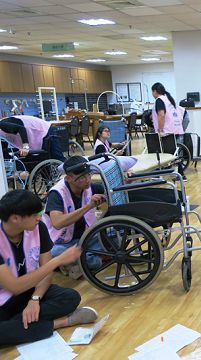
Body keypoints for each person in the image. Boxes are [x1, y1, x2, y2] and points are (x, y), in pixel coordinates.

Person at [0, 190, 98, 346]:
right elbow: (15, 287)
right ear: (15, 218)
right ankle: (62, 322)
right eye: (34, 215)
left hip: (30, 291)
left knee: (70, 297)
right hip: (4, 299)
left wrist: (35, 299)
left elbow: (46, 275)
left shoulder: (39, 228)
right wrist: (58, 260)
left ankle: (19, 324)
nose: (39, 218)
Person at [42, 156, 106, 279]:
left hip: (83, 238)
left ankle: (76, 262)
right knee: (54, 253)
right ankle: (88, 260)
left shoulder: (88, 186)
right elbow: (57, 222)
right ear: (69, 178)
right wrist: (88, 206)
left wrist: (125, 179)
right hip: (60, 242)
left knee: (115, 234)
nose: (87, 180)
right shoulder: (57, 193)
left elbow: (109, 189)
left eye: (89, 175)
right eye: (82, 177)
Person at [151, 82, 189, 179]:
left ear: (155, 91)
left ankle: (160, 175)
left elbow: (161, 115)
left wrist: (160, 130)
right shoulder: (169, 99)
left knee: (168, 154)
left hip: (167, 131)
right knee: (176, 155)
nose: (152, 94)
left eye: (152, 92)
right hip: (177, 129)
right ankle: (181, 175)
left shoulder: (159, 100)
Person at [0, 115, 65, 161]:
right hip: (33, 135)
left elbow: (21, 129)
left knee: (57, 156)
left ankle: (71, 176)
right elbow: (3, 149)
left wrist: (25, 147)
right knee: (40, 159)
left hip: (42, 129)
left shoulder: (2, 124)